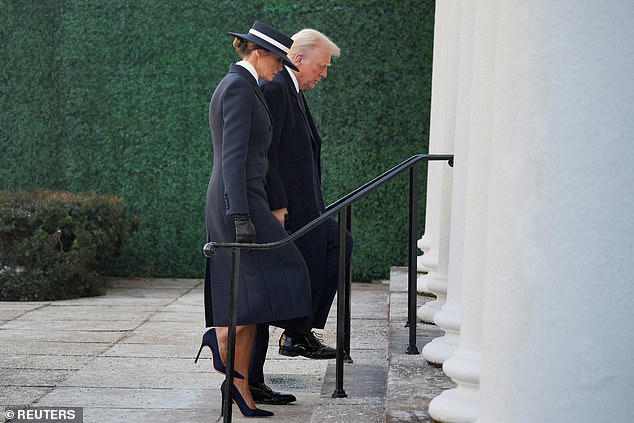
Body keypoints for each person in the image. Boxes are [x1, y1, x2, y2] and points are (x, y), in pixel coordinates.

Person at [198, 21, 312, 418]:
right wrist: (241, 214)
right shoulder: (237, 87)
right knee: (281, 273)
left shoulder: (247, 87)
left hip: (245, 199)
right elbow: (231, 157)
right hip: (237, 203)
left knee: (249, 300)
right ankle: (223, 339)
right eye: (280, 61)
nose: (281, 69)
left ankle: (240, 388)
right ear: (258, 53)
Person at [246, 28, 353, 403]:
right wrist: (277, 204)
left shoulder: (292, 91)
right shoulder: (276, 89)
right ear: (300, 58)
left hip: (307, 207)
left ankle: (298, 331)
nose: (323, 75)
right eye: (321, 67)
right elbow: (268, 152)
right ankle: (269, 360)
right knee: (262, 292)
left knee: (340, 241)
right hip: (285, 211)